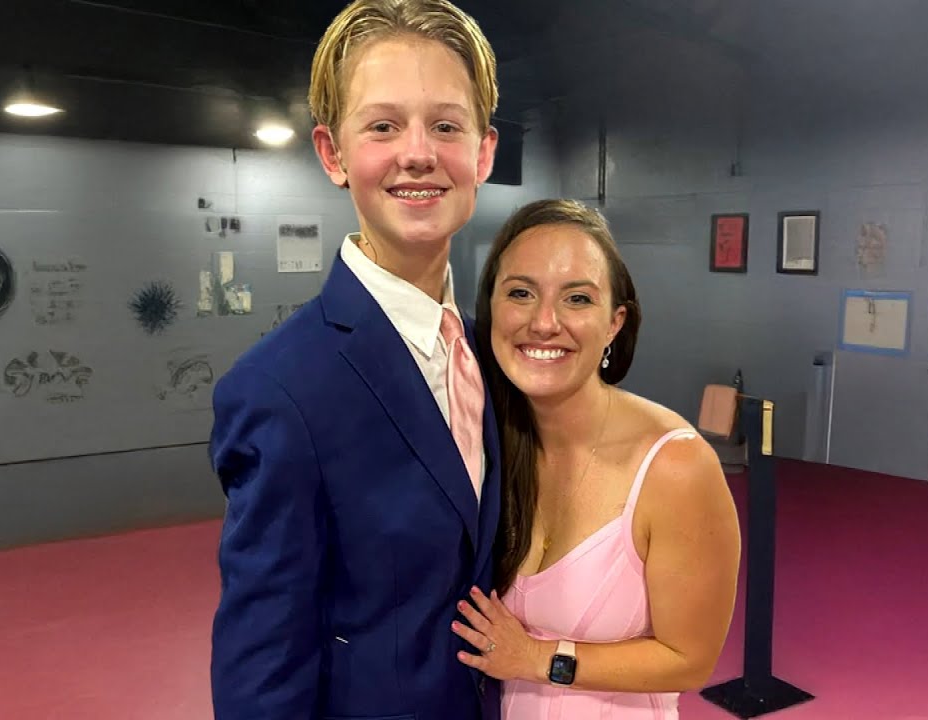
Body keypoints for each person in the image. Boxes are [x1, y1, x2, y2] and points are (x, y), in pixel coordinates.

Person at [206, 2, 502, 718]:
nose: (418, 153)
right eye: (383, 126)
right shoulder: (279, 390)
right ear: (333, 154)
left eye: (446, 125)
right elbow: (263, 665)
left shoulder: (489, 355)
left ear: (483, 154)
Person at [454, 199, 742, 718]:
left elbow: (690, 660)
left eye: (577, 299)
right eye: (520, 293)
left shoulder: (676, 467)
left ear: (614, 323)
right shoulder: (491, 446)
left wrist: (539, 658)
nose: (544, 322)